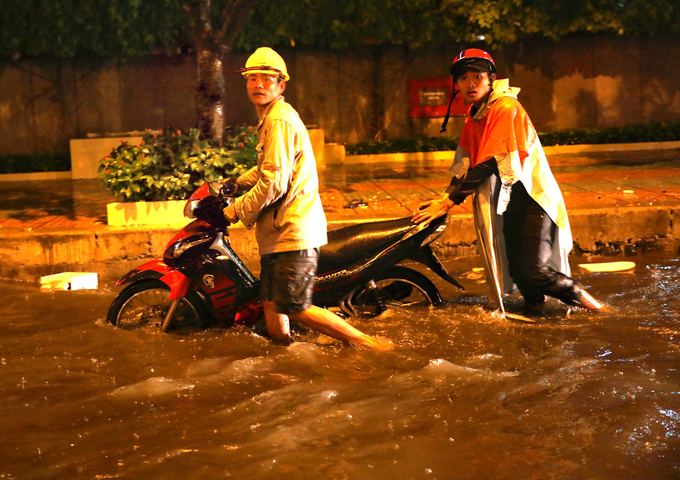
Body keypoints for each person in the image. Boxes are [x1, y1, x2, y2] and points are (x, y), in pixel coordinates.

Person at [413, 48, 606, 313]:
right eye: (463, 78)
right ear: (456, 84)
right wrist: (443, 197)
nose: (470, 83)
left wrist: (448, 202)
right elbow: (467, 161)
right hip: (509, 201)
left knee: (535, 273)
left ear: (491, 78)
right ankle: (538, 320)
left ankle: (601, 310)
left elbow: (491, 161)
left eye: (477, 76)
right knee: (518, 272)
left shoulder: (505, 107)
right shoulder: (476, 112)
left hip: (534, 198)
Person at [223, 47, 391, 347]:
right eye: (252, 78)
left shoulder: (279, 121)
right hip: (278, 231)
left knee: (295, 307)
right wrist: (234, 184)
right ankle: (285, 354)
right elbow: (266, 168)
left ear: (281, 84)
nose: (258, 84)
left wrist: (236, 210)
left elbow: (274, 182)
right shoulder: (271, 118)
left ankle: (371, 344)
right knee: (272, 302)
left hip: (292, 230)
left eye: (266, 78)